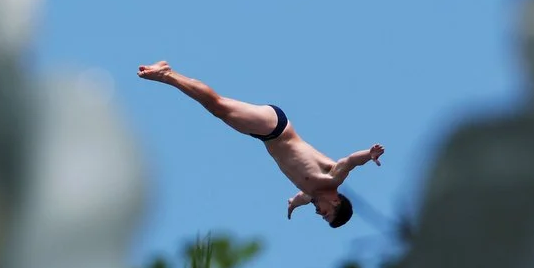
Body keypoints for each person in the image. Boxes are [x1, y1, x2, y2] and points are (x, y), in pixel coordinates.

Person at [137, 60, 383, 227]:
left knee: (218, 109)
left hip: (265, 135)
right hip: (276, 127)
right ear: (336, 201)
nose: (319, 213)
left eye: (322, 217)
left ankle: (168, 74)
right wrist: (368, 155)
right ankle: (167, 74)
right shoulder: (332, 179)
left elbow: (300, 199)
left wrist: (292, 205)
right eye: (326, 214)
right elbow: (349, 162)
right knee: (218, 106)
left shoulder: (310, 195)